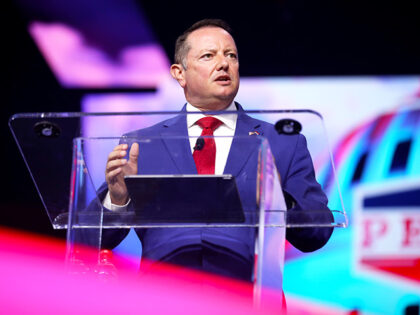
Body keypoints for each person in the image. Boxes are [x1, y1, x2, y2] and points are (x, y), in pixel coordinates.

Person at [100, 19, 333, 281]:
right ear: (179, 73)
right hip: (162, 301)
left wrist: (279, 200)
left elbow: (318, 232)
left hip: (246, 300)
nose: (224, 63)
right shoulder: (139, 146)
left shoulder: (281, 143)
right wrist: (118, 199)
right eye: (208, 55)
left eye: (231, 55)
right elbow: (91, 239)